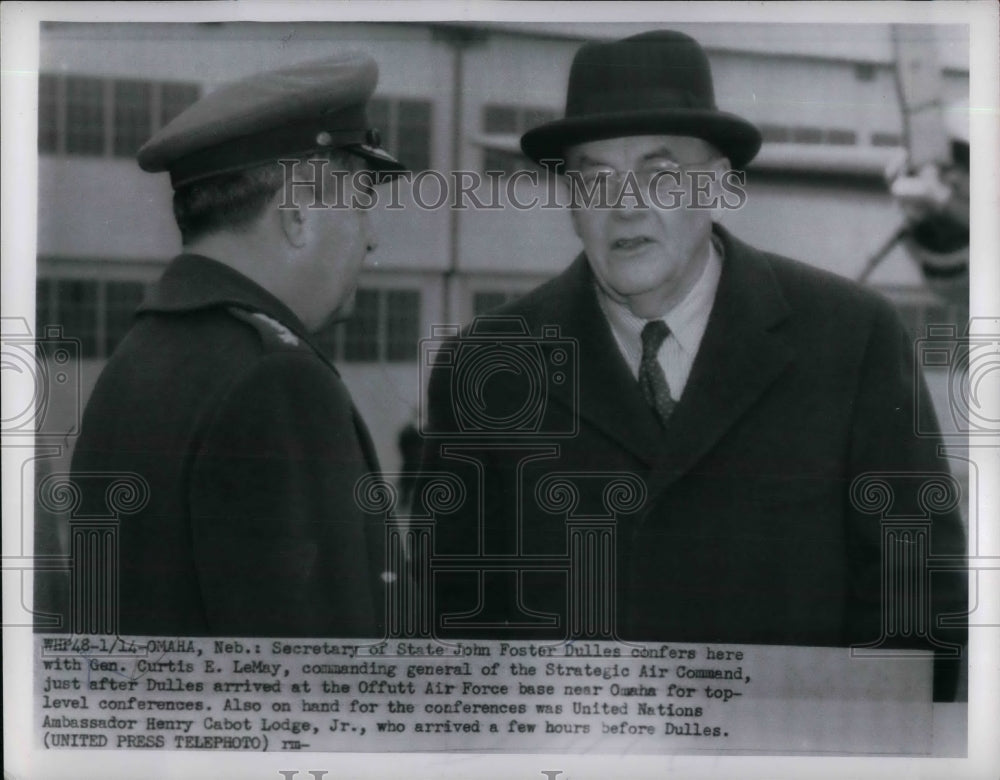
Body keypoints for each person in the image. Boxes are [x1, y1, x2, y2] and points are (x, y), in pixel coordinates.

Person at [419, 31, 966, 695]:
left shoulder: (854, 341)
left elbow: (915, 614)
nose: (625, 204)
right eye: (594, 176)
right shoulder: (488, 368)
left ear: (717, 185)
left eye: (660, 173)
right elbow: (452, 633)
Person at [69, 53, 406, 637]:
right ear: (299, 213)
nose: (371, 240)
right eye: (360, 203)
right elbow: (325, 686)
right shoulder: (275, 381)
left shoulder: (143, 357)